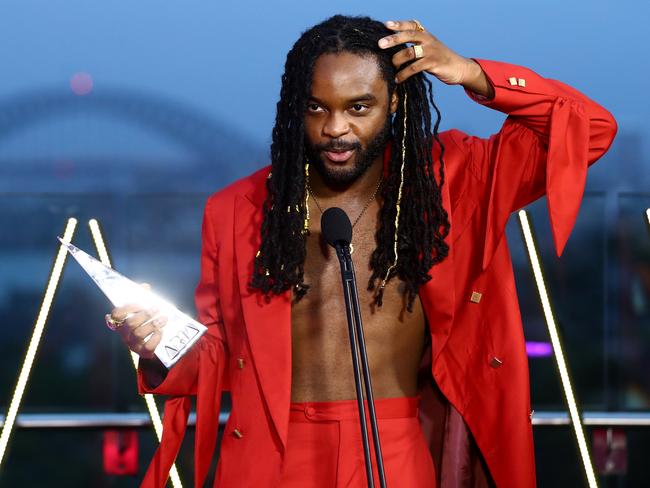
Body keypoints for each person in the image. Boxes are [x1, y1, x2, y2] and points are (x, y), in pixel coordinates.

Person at [108, 15, 616, 488]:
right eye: (317, 108)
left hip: (393, 439)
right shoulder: (235, 209)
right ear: (294, 107)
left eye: (358, 107)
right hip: (271, 451)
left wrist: (468, 71)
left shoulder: (452, 177)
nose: (335, 128)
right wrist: (158, 343)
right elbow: (221, 354)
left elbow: (590, 128)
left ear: (393, 102)